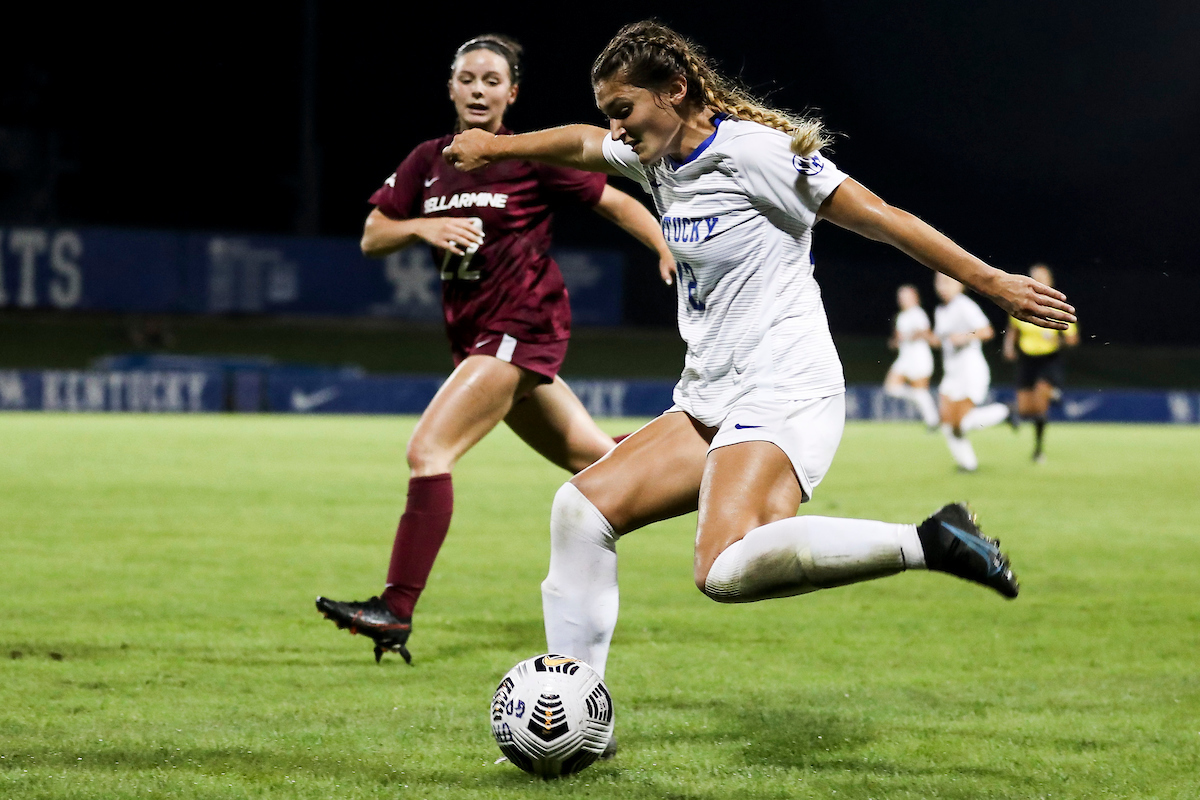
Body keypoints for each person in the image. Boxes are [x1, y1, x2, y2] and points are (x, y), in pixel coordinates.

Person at [444, 21, 1074, 689]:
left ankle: (928, 541)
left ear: (675, 91)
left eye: (623, 110)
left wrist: (993, 282)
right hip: (711, 398)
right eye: (610, 114)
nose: (616, 129)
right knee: (580, 511)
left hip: (786, 389)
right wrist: (497, 146)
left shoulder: (758, 154)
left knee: (720, 568)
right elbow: (579, 143)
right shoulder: (652, 153)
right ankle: (576, 708)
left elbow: (884, 216)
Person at [315, 34, 675, 664]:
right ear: (451, 88)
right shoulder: (427, 160)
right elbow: (374, 235)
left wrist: (665, 243)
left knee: (428, 450)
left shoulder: (527, 157)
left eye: (492, 80)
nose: (479, 90)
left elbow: (614, 199)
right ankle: (718, 470)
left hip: (521, 325)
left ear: (511, 94)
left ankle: (395, 609)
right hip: (478, 338)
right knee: (596, 461)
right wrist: (421, 225)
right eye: (468, 78)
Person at [930, 273, 1014, 472]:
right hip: (952, 372)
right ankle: (967, 464)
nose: (943, 287)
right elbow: (941, 340)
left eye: (948, 282)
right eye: (940, 282)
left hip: (970, 369)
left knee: (961, 423)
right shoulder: (941, 310)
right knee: (947, 421)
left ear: (960, 286)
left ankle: (1006, 411)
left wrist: (963, 336)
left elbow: (986, 331)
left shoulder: (964, 305)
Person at [1003, 264, 1080, 462]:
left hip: (1048, 360)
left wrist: (1057, 340)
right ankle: (1013, 410)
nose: (1038, 280)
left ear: (1050, 282)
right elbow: (1013, 329)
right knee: (1027, 410)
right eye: (1034, 277)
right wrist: (1009, 347)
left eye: (1042, 277)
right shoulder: (1023, 302)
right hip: (1027, 360)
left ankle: (1038, 450)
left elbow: (1072, 339)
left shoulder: (1057, 304)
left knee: (1040, 405)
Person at [883, 284, 940, 428]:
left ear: (915, 298)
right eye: (900, 297)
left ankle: (933, 422)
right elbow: (898, 338)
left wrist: (909, 336)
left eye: (906, 297)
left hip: (919, 357)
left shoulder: (918, 313)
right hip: (904, 357)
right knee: (891, 388)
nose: (902, 300)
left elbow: (925, 332)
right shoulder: (901, 317)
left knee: (920, 390)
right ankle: (931, 416)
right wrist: (894, 342)